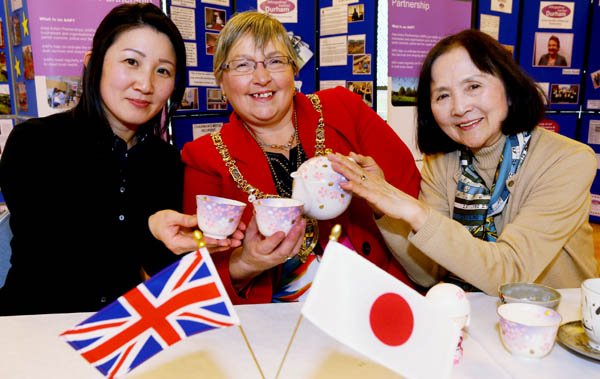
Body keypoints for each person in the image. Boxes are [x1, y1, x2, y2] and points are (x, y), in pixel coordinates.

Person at [150, 11, 421, 304]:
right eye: (242, 65)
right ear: (222, 83)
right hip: (275, 325)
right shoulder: (204, 157)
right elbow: (203, 278)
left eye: (275, 61)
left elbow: (413, 202)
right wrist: (248, 262)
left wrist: (379, 200)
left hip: (377, 300)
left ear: (294, 70)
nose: (262, 77)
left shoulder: (345, 110)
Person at [329, 29, 597, 295]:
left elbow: (512, 273)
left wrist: (413, 210)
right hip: (472, 318)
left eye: (473, 86)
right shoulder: (442, 164)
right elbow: (425, 274)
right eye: (442, 96)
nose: (459, 108)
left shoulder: (567, 161)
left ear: (509, 87)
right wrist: (383, 209)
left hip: (551, 323)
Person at [0, 3, 187, 315]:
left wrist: (202, 244)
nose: (145, 84)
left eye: (163, 70)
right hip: (33, 326)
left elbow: (158, 266)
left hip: (118, 332)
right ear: (93, 63)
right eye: (131, 61)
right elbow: (51, 249)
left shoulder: (165, 160)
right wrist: (147, 228)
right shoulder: (34, 141)